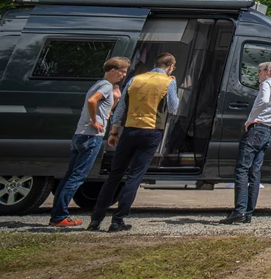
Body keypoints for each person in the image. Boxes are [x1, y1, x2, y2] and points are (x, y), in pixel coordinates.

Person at [87, 52, 179, 232]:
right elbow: (174, 107)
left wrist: (114, 131)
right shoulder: (169, 82)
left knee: (114, 175)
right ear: (169, 67)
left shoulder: (134, 79)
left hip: (129, 130)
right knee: (134, 176)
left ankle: (96, 219)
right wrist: (172, 84)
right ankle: (118, 220)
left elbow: (121, 108)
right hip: (151, 131)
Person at [48, 57, 130, 227]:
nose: (124, 75)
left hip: (80, 134)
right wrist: (94, 121)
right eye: (122, 71)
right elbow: (92, 101)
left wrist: (115, 100)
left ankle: (57, 214)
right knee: (77, 177)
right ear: (113, 70)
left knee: (69, 176)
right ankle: (59, 216)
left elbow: (104, 111)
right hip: (91, 136)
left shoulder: (99, 84)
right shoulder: (106, 86)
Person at [220, 61, 271, 225]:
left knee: (242, 169)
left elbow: (263, 100)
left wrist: (251, 119)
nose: (258, 74)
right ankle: (248, 212)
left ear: (267, 71)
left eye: (260, 71)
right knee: (255, 172)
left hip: (257, 128)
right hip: (267, 130)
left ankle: (239, 210)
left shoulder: (266, 85)